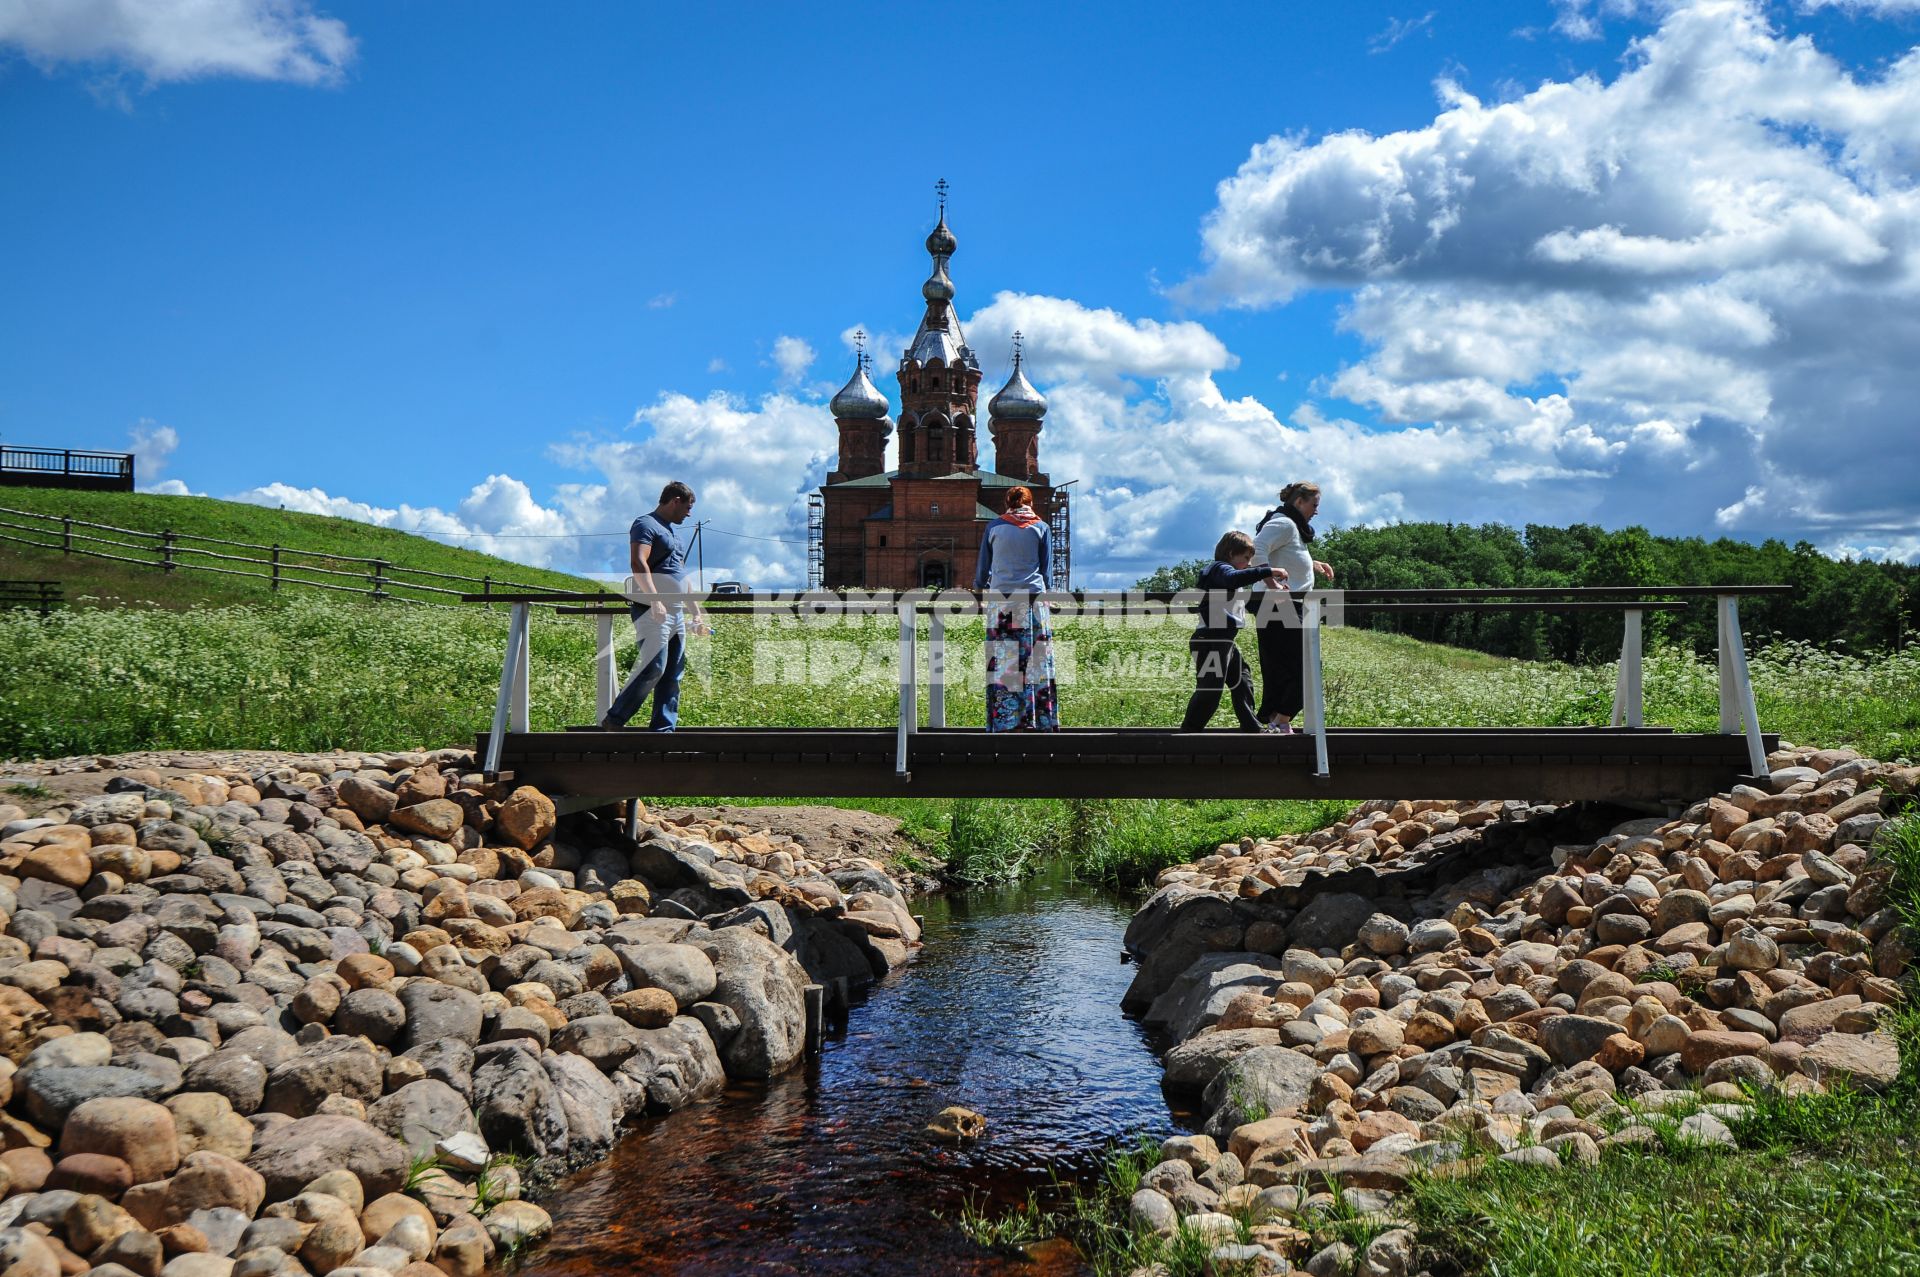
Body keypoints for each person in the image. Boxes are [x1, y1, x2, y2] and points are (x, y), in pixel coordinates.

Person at [602, 481, 707, 731]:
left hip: (676, 611)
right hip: (654, 610)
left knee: (672, 673)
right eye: (688, 507)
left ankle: (663, 729)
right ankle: (614, 720)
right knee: (654, 666)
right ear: (675, 501)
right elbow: (638, 563)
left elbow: (682, 576)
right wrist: (654, 600)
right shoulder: (645, 525)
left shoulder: (674, 534)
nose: (689, 514)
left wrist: (696, 613)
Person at [1181, 531, 1288, 731]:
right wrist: (1267, 571)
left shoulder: (1226, 575)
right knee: (1210, 689)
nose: (1249, 563)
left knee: (1242, 680)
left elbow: (1237, 589)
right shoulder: (1219, 569)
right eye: (1246, 558)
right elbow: (1233, 579)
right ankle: (1189, 733)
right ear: (1231, 553)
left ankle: (1251, 727)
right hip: (1211, 639)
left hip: (1223, 640)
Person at [1251, 481, 1336, 733]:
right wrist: (1272, 583)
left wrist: (1312, 564)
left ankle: (1274, 720)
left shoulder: (1291, 525)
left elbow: (1285, 556)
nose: (1317, 511)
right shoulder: (1285, 523)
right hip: (1279, 604)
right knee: (1307, 667)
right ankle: (1280, 720)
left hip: (1283, 604)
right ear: (1299, 502)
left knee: (1282, 667)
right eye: (1314, 505)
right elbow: (1256, 550)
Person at [973, 485, 1057, 731]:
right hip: (1032, 601)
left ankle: (1005, 722)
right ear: (1030, 503)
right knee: (1036, 660)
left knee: (1004, 660)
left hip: (1002, 601)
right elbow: (1046, 570)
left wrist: (979, 589)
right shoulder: (1041, 527)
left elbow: (983, 568)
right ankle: (1038, 721)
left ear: (1007, 504)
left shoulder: (994, 527)